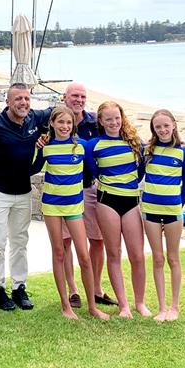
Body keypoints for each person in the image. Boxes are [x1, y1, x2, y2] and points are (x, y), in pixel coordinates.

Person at [36, 105, 110, 321]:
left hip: (75, 207)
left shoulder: (82, 147)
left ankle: (92, 307)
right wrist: (36, 144)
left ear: (73, 125)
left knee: (84, 256)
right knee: (58, 252)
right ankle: (65, 305)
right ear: (52, 123)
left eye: (69, 123)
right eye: (60, 122)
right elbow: (32, 168)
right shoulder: (47, 146)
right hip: (51, 206)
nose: (65, 126)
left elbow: (94, 169)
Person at [0, 83, 49, 311]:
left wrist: (46, 137)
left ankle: (19, 287)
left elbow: (60, 112)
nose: (23, 103)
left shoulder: (34, 119)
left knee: (20, 242)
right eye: (18, 99)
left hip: (23, 191)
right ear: (8, 102)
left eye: (26, 99)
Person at [84, 101, 148, 318]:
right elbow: (93, 169)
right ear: (100, 121)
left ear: (122, 118)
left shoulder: (135, 143)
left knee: (137, 255)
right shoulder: (93, 145)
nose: (113, 122)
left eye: (117, 118)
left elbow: (141, 171)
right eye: (108, 119)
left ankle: (140, 302)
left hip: (131, 202)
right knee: (114, 253)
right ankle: (124, 306)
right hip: (107, 201)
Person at [55, 83, 109, 309]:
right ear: (65, 97)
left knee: (97, 240)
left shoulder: (94, 122)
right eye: (74, 95)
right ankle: (73, 290)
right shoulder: (55, 120)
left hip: (90, 188)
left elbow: (121, 135)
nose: (79, 99)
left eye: (82, 96)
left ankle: (95, 288)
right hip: (66, 192)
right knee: (65, 242)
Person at [141, 109, 185, 322]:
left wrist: (177, 204)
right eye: (158, 126)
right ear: (153, 129)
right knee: (158, 258)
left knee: (173, 258)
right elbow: (138, 172)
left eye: (166, 125)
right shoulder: (148, 150)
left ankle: (174, 306)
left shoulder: (184, 152)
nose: (162, 130)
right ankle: (161, 307)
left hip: (173, 211)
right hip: (150, 210)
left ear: (173, 124)